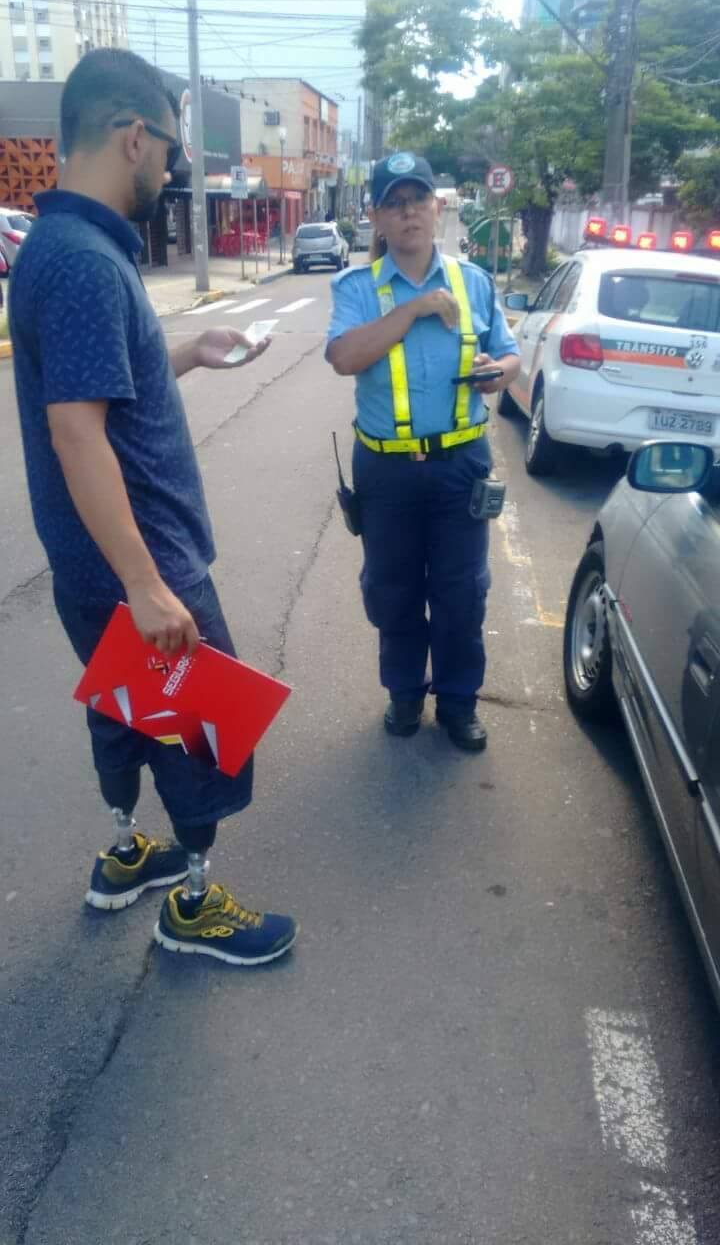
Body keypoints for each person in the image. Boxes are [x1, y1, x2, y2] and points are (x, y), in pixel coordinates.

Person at [10, 49, 297, 967]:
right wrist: (147, 584)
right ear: (134, 136)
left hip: (99, 567)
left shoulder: (59, 248)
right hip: (141, 565)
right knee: (205, 735)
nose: (172, 168)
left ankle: (127, 854)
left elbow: (96, 392)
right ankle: (195, 908)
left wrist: (189, 353)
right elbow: (77, 437)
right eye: (170, 148)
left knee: (129, 717)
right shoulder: (86, 262)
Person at [326, 153, 521, 751]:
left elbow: (509, 355)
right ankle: (406, 694)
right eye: (394, 201)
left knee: (463, 594)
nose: (408, 210)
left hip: (461, 467)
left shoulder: (474, 282)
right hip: (385, 470)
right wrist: (413, 309)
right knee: (393, 590)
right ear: (378, 218)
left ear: (437, 208)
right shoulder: (360, 288)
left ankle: (459, 703)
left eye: (418, 198)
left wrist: (498, 374)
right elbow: (344, 358)